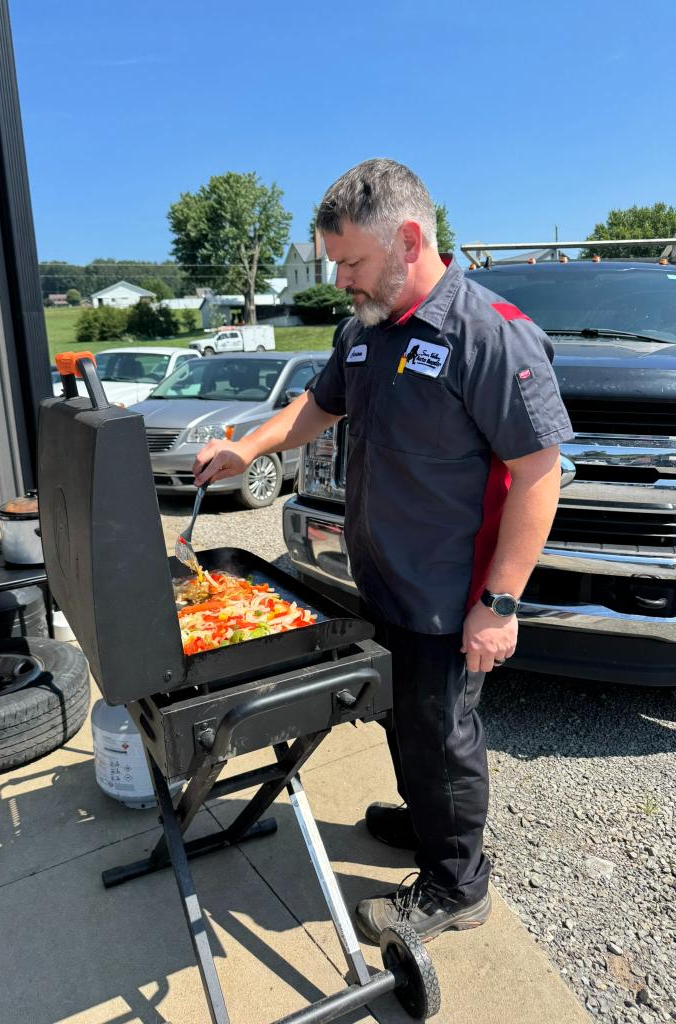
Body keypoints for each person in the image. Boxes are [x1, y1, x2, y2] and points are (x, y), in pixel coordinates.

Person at [193, 158, 574, 944]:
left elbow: (540, 476)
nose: (342, 280)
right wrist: (250, 448)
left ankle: (456, 884)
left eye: (353, 263)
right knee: (403, 717)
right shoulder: (364, 332)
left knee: (442, 734)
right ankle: (429, 821)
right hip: (380, 581)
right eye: (336, 264)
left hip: (448, 594)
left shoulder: (488, 334)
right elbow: (315, 407)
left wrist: (499, 603)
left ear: (409, 238)